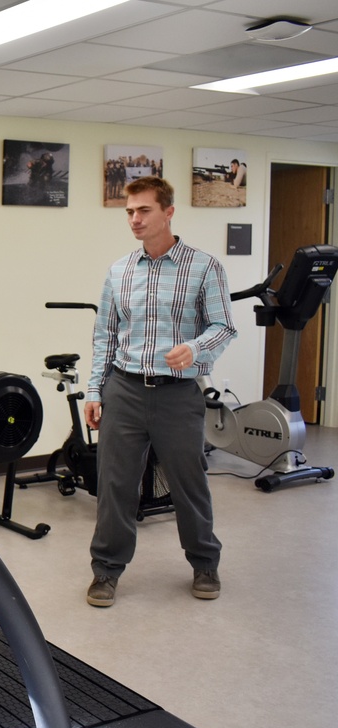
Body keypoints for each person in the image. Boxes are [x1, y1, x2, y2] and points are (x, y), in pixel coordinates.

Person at [83, 175, 236, 609]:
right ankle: (106, 571)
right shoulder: (120, 270)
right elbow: (105, 336)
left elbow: (224, 325)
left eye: (144, 210)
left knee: (190, 484)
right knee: (115, 486)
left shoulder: (204, 267)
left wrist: (196, 348)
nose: (134, 219)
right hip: (125, 391)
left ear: (168, 212)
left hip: (177, 395)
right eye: (129, 211)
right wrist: (95, 390)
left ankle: (205, 563)